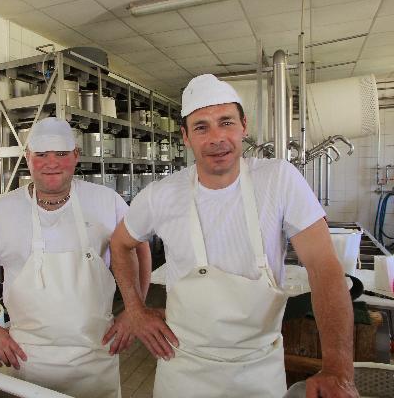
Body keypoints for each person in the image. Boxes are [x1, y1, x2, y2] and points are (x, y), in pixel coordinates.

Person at [110, 74, 358, 398]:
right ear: (185, 136)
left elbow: (324, 268)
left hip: (259, 371)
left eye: (225, 122)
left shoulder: (278, 179)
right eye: (201, 127)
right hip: (183, 370)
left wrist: (338, 368)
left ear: (244, 125)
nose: (216, 138)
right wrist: (135, 309)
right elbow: (121, 243)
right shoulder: (161, 195)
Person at [0, 117, 151, 398]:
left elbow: (140, 247)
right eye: (42, 155)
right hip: (29, 361)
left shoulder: (106, 201)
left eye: (61, 154)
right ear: (28, 157)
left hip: (96, 357)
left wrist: (136, 310)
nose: (52, 163)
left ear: (75, 156)